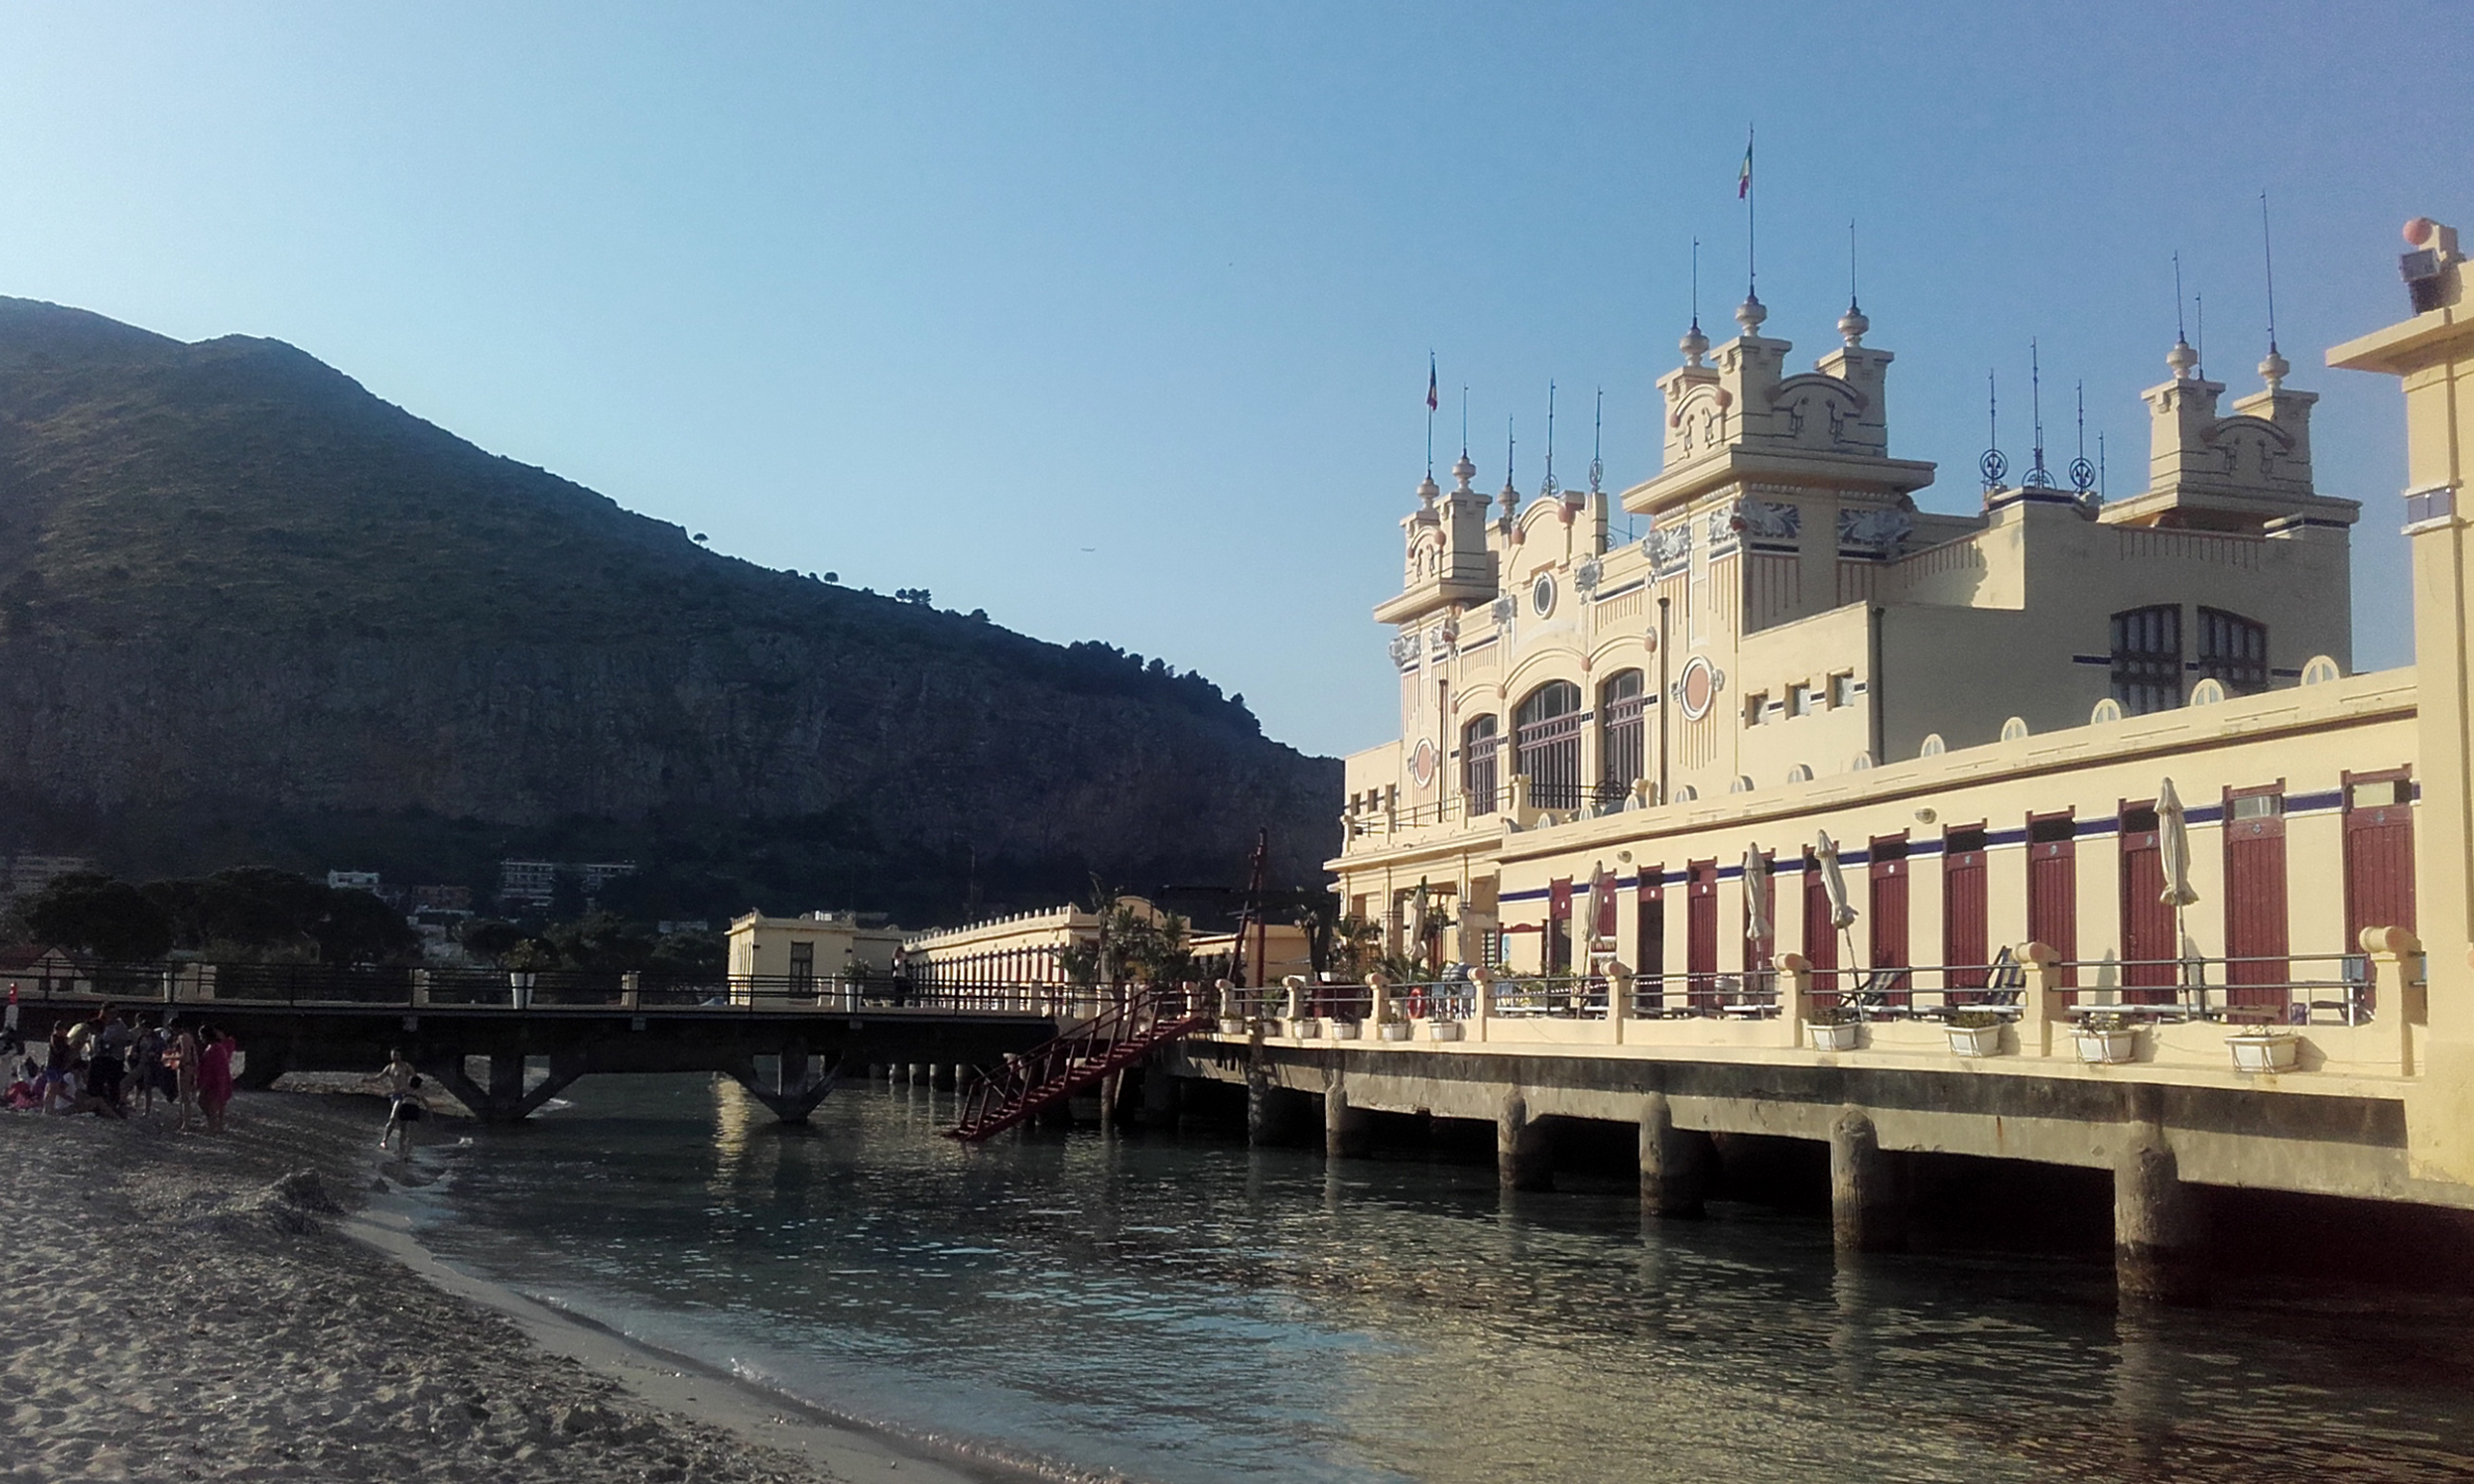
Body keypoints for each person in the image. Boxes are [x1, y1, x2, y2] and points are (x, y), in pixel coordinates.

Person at [194, 1026, 236, 1134]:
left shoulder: (216, 1049)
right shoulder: (214, 1047)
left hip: (214, 1082)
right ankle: (214, 1126)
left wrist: (205, 1082)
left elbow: (216, 1068)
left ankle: (213, 1128)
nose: (200, 1038)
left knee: (207, 1104)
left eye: (201, 1036)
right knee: (206, 1104)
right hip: (213, 1081)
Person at [169, 1023, 200, 1132]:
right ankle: (182, 1119)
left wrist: (179, 1064)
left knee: (185, 1096)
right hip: (185, 1067)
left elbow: (185, 1053)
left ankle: (186, 1123)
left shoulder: (183, 1037)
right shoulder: (185, 1036)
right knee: (182, 1096)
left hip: (185, 1067)